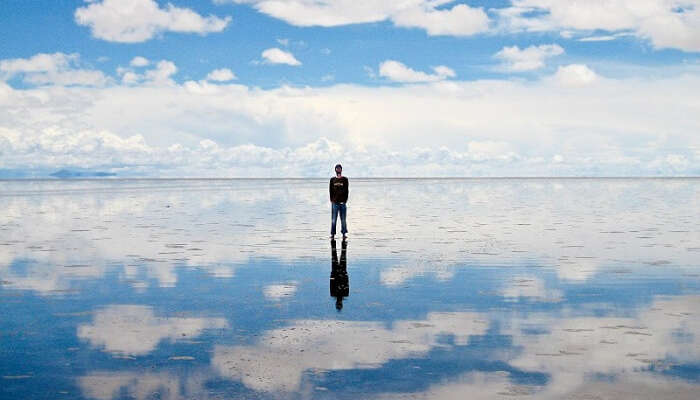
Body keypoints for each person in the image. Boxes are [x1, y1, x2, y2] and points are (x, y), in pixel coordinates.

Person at [329, 163, 348, 239]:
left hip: (342, 203)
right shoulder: (332, 180)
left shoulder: (345, 179)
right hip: (335, 203)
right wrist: (331, 200)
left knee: (343, 220)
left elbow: (347, 190)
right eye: (337, 168)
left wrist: (345, 200)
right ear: (335, 170)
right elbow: (330, 190)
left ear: (341, 170)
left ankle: (344, 234)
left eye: (339, 168)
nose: (338, 170)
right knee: (334, 220)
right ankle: (332, 234)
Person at [330, 238, 349, 311]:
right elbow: (347, 283)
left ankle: (333, 239)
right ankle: (343, 240)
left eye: (338, 304)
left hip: (335, 272)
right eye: (340, 304)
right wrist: (345, 274)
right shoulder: (345, 294)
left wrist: (332, 274)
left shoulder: (333, 294)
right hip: (343, 272)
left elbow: (331, 283)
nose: (339, 303)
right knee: (343, 255)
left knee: (334, 255)